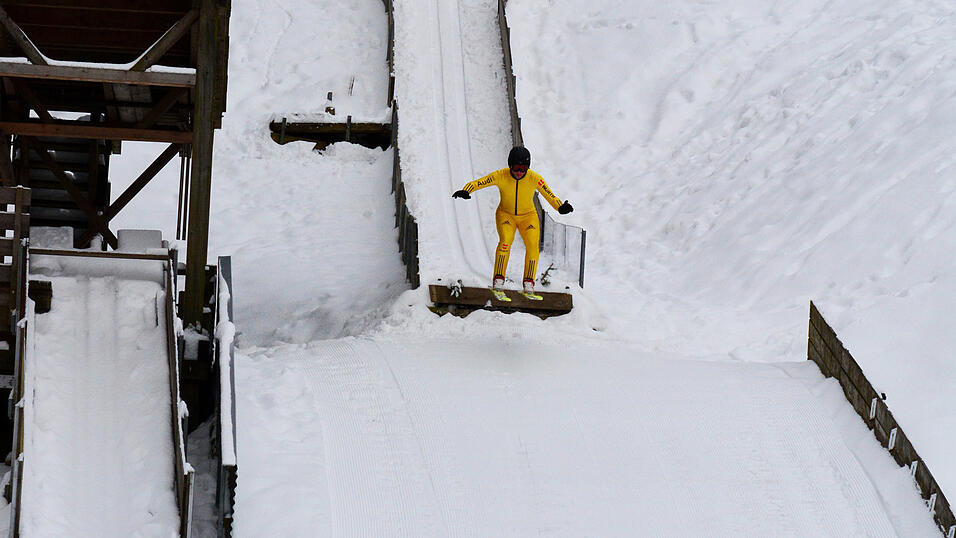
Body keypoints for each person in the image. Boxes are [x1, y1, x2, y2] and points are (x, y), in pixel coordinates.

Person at [453, 146, 573, 295]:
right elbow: (480, 182)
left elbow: (549, 194)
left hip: (528, 216)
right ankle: (498, 279)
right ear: (510, 165)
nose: (519, 172)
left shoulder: (534, 178)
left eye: (523, 168)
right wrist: (466, 190)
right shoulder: (501, 175)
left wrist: (560, 207)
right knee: (505, 242)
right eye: (516, 168)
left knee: (532, 246)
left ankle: (529, 282)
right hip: (506, 215)